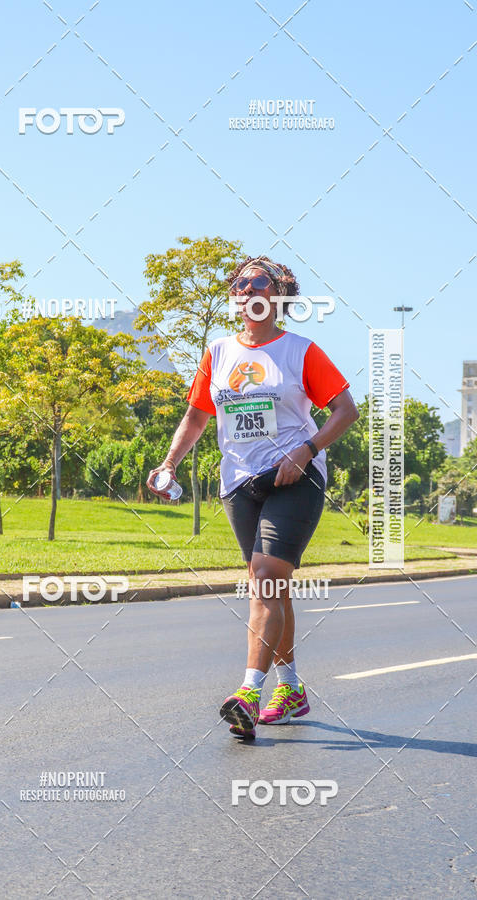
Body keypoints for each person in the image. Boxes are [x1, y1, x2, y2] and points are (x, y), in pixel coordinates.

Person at [146, 256, 358, 739]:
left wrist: (307, 450)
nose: (247, 290)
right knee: (273, 587)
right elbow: (197, 417)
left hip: (295, 476)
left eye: (259, 283)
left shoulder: (301, 351)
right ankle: (290, 687)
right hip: (239, 481)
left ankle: (248, 691)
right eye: (240, 283)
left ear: (279, 296)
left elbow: (346, 410)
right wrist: (170, 463)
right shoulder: (218, 352)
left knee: (265, 576)